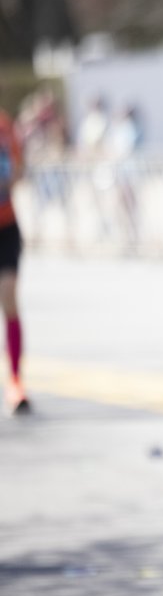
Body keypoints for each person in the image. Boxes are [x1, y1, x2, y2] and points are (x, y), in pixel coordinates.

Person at [0, 100, 27, 415]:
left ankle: (16, 379)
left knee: (9, 297)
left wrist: (11, 178)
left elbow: (20, 170)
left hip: (6, 227)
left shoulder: (5, 126)